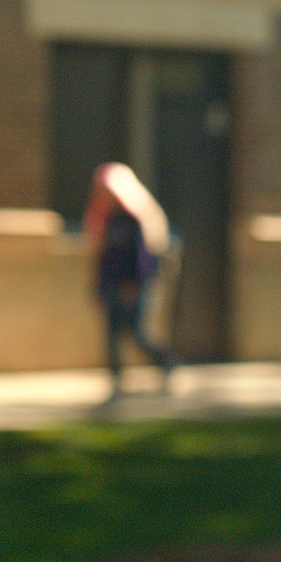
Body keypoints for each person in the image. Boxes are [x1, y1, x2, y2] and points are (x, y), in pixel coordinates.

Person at [83, 162, 176, 398]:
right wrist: (98, 288)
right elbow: (102, 260)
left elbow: (144, 258)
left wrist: (135, 284)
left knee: (138, 334)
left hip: (136, 286)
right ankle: (116, 381)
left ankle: (167, 362)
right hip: (112, 287)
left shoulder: (134, 220)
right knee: (112, 334)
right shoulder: (106, 221)